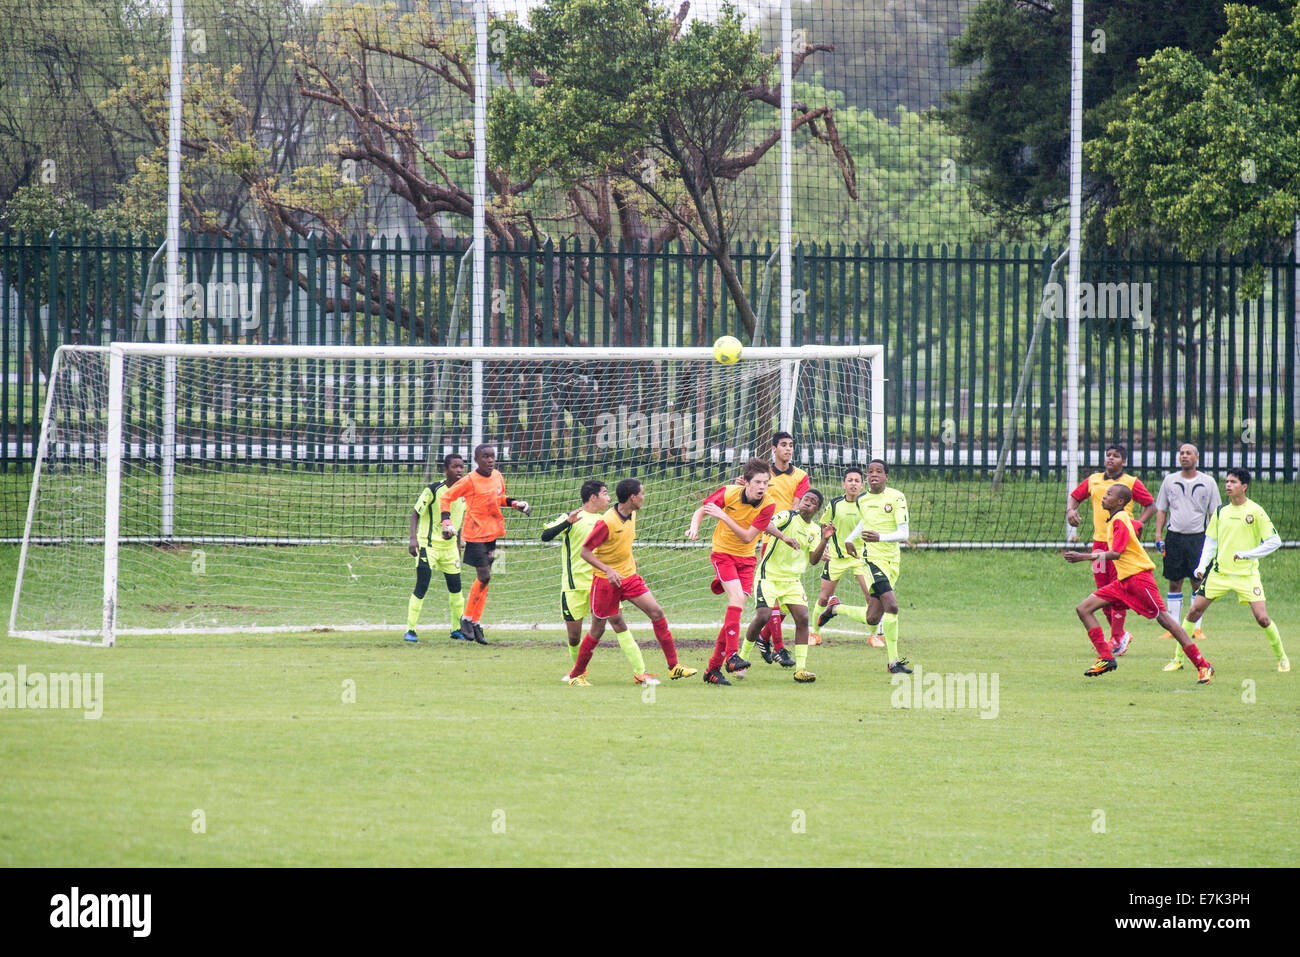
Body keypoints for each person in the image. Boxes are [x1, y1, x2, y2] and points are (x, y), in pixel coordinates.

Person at [1064, 484, 1214, 683]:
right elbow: (1138, 526)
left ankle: (1203, 665)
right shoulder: (1119, 519)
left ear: (1119, 502)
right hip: (1123, 581)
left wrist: (1083, 557)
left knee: (1165, 620)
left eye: (1109, 495)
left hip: (1139, 579)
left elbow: (1116, 553)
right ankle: (1106, 658)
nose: (1104, 497)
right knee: (1083, 609)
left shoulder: (1119, 520)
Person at [564, 478, 696, 685]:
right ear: (633, 498)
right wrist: (608, 569)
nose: (644, 497)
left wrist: (629, 559)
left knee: (657, 612)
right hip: (606, 582)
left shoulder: (631, 514)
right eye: (642, 494)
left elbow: (621, 544)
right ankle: (576, 675)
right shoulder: (606, 522)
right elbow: (585, 552)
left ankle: (674, 667)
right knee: (597, 630)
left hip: (629, 577)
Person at [1174, 468, 1288, 673]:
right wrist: (1201, 567)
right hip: (1220, 574)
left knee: (1262, 618)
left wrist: (1248, 554)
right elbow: (1210, 541)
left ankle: (1282, 659)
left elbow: (1275, 541)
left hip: (1247, 575)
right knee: (1193, 611)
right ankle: (1177, 659)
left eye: (1233, 482)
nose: (1228, 485)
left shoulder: (1255, 511)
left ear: (1244, 486)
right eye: (1227, 481)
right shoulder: (1220, 511)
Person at [686, 457, 783, 686]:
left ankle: (712, 670)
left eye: (765, 482)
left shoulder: (768, 504)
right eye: (758, 482)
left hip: (747, 559)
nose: (762, 487)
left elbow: (748, 537)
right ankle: (731, 656)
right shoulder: (729, 493)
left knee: (735, 610)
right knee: (737, 599)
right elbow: (703, 509)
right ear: (746, 483)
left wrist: (724, 517)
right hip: (723, 554)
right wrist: (694, 526)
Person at [819, 459, 912, 674]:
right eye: (870, 472)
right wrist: (850, 539)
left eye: (878, 471)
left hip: (892, 561)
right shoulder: (863, 500)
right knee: (893, 607)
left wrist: (880, 536)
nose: (873, 475)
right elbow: (864, 522)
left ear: (886, 476)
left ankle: (835, 608)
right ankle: (893, 662)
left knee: (873, 617)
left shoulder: (896, 497)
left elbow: (904, 533)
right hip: (871, 560)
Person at [1066, 443, 1155, 655]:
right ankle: (1120, 635)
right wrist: (1071, 510)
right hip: (1099, 543)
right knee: (1103, 592)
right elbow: (1075, 496)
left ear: (1123, 461)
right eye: (1108, 455)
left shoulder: (1130, 483)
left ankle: (1116, 638)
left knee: (1118, 590)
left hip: (1119, 546)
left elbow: (1151, 505)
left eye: (1115, 456)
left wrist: (1138, 524)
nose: (1110, 459)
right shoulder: (1094, 480)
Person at [440, 443, 530, 644]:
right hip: (475, 534)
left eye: (492, 456)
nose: (490, 460)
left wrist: (517, 504)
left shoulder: (497, 475)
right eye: (485, 457)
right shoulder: (469, 481)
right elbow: (446, 497)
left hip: (492, 532)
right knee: (485, 576)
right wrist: (446, 522)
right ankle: (466, 619)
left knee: (486, 580)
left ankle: (475, 621)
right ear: (476, 460)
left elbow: (499, 499)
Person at [740, 489, 833, 682]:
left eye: (812, 501)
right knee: (763, 615)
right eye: (805, 499)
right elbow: (766, 524)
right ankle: (742, 658)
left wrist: (824, 539)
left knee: (802, 617)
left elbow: (814, 560)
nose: (807, 502)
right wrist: (784, 537)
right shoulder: (788, 516)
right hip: (769, 576)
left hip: (792, 581)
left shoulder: (815, 530)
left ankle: (801, 669)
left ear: (817, 509)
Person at [747, 432, 810, 666]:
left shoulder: (801, 476)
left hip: (790, 536)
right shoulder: (764, 475)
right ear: (773, 448)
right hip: (770, 536)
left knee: (787, 596)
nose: (788, 449)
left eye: (791, 445)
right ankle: (780, 648)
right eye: (783, 445)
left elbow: (797, 506)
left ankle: (763, 638)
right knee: (772, 592)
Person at [1153, 443, 1218, 668]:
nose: (1184, 456)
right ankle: (1173, 628)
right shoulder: (1169, 480)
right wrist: (1159, 535)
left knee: (1197, 581)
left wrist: (1213, 541)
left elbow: (1214, 514)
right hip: (1174, 537)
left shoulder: (1208, 482)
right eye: (1181, 453)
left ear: (1197, 457)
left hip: (1198, 538)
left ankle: (1196, 627)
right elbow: (1161, 509)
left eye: (1188, 453)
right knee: (1174, 581)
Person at [405, 453, 468, 642]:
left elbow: (461, 518)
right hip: (428, 545)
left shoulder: (464, 493)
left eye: (461, 466)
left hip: (450, 550)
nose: (459, 470)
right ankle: (411, 629)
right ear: (445, 469)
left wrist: (459, 543)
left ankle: (457, 628)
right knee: (422, 584)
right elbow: (416, 513)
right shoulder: (433, 489)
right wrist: (413, 539)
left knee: (456, 588)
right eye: (455, 466)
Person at [809, 466, 871, 647]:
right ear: (843, 484)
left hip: (860, 558)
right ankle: (815, 633)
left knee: (870, 595)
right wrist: (822, 547)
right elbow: (823, 527)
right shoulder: (835, 504)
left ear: (862, 485)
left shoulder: (867, 504)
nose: (853, 484)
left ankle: (875, 634)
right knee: (823, 597)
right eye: (850, 480)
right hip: (836, 558)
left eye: (857, 481)